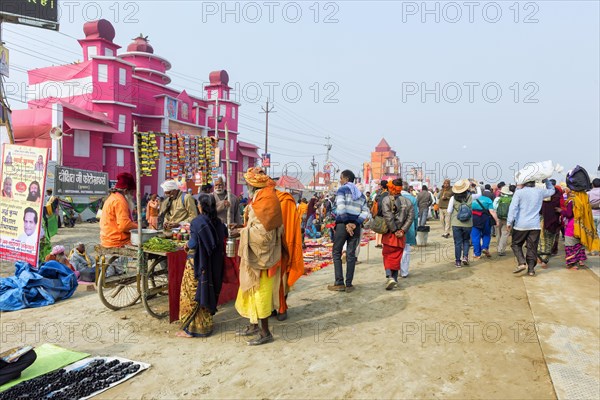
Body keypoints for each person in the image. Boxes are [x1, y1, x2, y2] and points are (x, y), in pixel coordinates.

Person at [234, 167, 284, 346]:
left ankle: (265, 332)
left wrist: (242, 231)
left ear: (253, 185)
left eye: (247, 183)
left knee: (260, 294)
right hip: (254, 253)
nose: (246, 186)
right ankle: (253, 325)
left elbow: (264, 232)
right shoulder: (258, 197)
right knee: (249, 290)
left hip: (263, 256)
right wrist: (242, 227)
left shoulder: (267, 199)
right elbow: (254, 221)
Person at [177, 194, 227, 338]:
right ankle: (206, 325)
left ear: (201, 206)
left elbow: (194, 242)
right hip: (213, 264)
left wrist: (187, 244)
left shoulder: (197, 222)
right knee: (206, 289)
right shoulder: (219, 223)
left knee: (191, 294)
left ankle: (191, 330)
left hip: (198, 263)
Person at [328, 170, 370, 293]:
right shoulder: (361, 195)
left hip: (342, 225)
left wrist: (347, 223)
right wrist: (355, 223)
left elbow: (340, 207)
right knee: (351, 255)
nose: (340, 180)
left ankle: (339, 282)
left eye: (340, 178)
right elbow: (365, 212)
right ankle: (349, 284)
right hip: (355, 227)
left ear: (345, 179)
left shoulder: (342, 190)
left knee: (337, 252)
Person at [507, 179, 555, 276]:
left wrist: (509, 221)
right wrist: (547, 181)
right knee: (532, 247)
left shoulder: (519, 193)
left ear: (524, 183)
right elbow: (552, 191)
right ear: (534, 183)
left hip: (521, 224)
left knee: (516, 244)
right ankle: (531, 270)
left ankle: (521, 263)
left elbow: (513, 208)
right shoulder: (539, 191)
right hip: (535, 225)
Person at [273, 189, 305, 321]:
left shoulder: (285, 201)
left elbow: (289, 226)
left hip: (283, 245)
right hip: (267, 247)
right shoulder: (261, 200)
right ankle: (272, 308)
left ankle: (282, 307)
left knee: (282, 279)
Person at [381, 179, 415, 290]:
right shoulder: (408, 202)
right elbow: (411, 218)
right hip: (401, 235)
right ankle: (394, 279)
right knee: (396, 257)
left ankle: (389, 276)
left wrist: (394, 230)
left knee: (387, 255)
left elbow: (388, 217)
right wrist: (402, 230)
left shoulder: (386, 200)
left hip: (390, 234)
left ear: (391, 188)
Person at [562, 173, 600, 268]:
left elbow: (569, 214)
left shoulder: (572, 200)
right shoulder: (584, 199)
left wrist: (562, 211)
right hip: (584, 224)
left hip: (572, 226)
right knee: (580, 244)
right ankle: (581, 261)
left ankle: (573, 264)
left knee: (570, 245)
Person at [447, 179, 482, 267]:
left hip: (456, 223)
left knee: (457, 242)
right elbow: (480, 194)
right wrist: (477, 185)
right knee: (466, 241)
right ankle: (465, 257)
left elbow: (449, 211)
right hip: (468, 223)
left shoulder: (453, 198)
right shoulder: (470, 196)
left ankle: (458, 261)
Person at [99, 172, 138, 248]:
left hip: (107, 239)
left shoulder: (112, 197)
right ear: (126, 191)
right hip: (116, 241)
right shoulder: (120, 201)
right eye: (132, 192)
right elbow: (124, 225)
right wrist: (139, 227)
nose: (132, 196)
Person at [537, 185, 563, 267]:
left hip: (541, 221)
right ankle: (545, 260)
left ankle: (539, 257)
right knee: (550, 241)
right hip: (553, 223)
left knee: (541, 240)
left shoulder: (542, 199)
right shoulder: (558, 198)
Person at [471, 193, 500, 260]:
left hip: (474, 219)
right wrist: (497, 221)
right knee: (486, 234)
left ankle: (477, 254)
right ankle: (484, 247)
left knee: (475, 237)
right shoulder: (488, 200)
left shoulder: (473, 199)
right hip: (485, 219)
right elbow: (492, 211)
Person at [400, 181, 418, 279]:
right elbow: (415, 216)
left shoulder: (394, 197)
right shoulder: (412, 199)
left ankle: (395, 269)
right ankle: (404, 271)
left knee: (397, 248)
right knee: (406, 249)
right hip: (409, 227)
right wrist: (416, 228)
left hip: (396, 227)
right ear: (408, 189)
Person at [493, 185, 515, 256]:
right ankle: (501, 250)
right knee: (505, 234)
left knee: (498, 234)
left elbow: (494, 208)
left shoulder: (498, 199)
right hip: (507, 219)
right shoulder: (512, 199)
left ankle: (498, 247)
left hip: (498, 217)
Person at [372, 180, 389, 248]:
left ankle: (377, 242)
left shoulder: (379, 192)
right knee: (383, 227)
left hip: (378, 212)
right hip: (384, 213)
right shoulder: (387, 193)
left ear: (381, 186)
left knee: (378, 227)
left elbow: (375, 200)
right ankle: (381, 243)